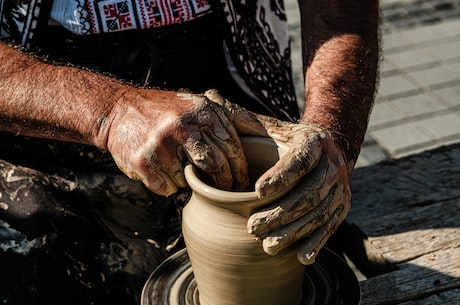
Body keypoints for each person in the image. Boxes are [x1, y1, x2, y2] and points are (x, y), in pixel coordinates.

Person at [0, 0, 380, 304]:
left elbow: (342, 7)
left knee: (288, 235)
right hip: (45, 121)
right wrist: (110, 113)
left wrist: (331, 133)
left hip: (235, 94)